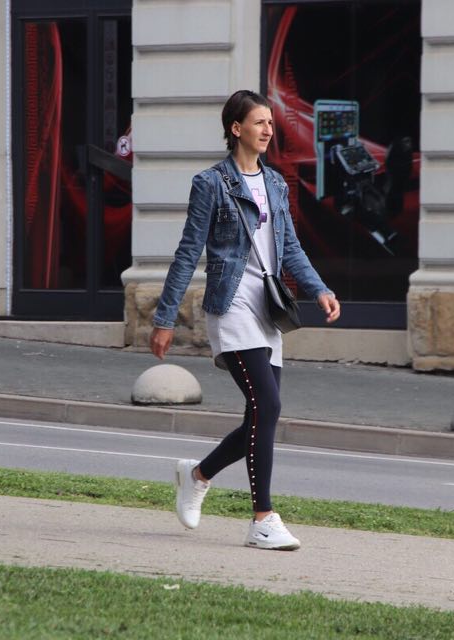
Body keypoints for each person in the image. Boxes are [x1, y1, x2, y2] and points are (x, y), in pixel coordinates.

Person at [149, 89, 341, 551]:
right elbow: (187, 253)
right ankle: (262, 519)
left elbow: (289, 247)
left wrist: (319, 288)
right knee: (268, 406)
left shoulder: (275, 182)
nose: (268, 129)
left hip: (268, 308)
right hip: (232, 303)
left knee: (262, 414)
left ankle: (197, 475)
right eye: (259, 122)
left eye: (271, 123)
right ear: (236, 129)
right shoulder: (211, 183)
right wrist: (164, 317)